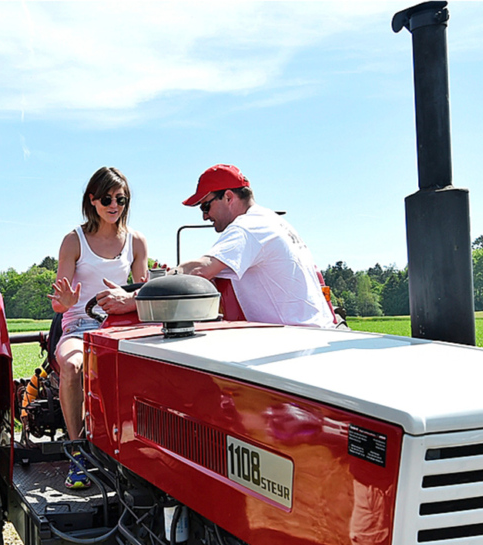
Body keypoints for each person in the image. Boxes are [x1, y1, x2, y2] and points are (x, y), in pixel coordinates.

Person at [97, 164, 334, 328]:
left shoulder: (247, 228)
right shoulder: (274, 221)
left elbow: (199, 270)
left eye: (205, 206)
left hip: (291, 341)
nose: (204, 217)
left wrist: (133, 299)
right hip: (312, 331)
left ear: (229, 197)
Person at [49, 167, 148, 489]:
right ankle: (78, 450)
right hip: (80, 322)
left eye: (121, 198)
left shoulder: (136, 241)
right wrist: (65, 301)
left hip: (121, 325)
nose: (114, 204)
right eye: (107, 198)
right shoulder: (73, 241)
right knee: (73, 364)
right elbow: (59, 305)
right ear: (92, 201)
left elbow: (141, 291)